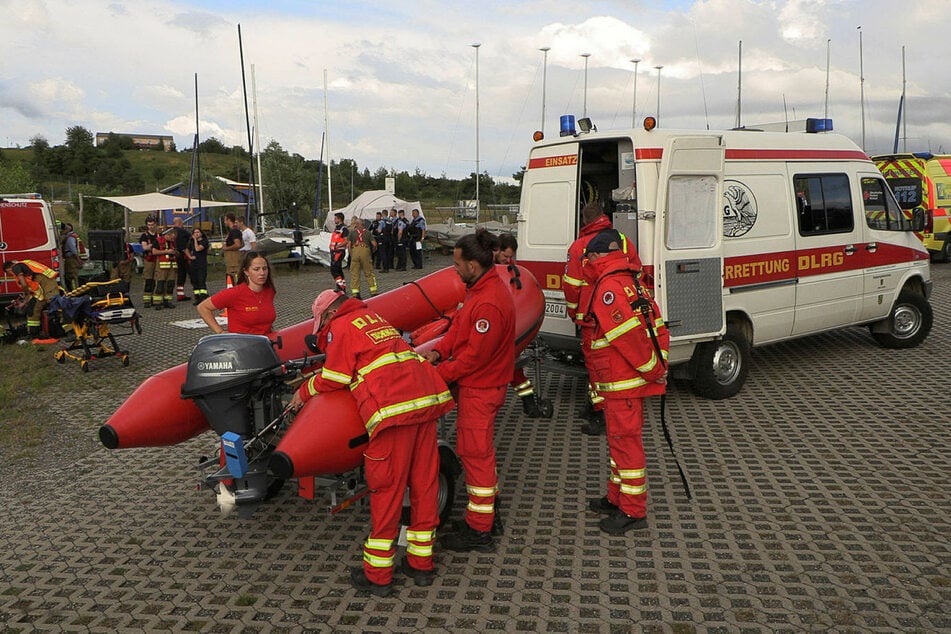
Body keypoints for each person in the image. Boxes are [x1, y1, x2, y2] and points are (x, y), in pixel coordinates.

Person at [289, 289, 454, 597]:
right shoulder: (373, 317)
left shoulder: (340, 327)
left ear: (326, 316)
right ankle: (421, 565)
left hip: (392, 414)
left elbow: (335, 377)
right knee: (424, 484)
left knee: (387, 490)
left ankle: (378, 576)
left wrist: (304, 390)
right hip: (424, 402)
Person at [423, 229, 514, 552]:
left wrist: (439, 373)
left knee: (476, 455)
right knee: (480, 454)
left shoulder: (489, 302)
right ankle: (489, 513)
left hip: (482, 388)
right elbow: (459, 329)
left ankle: (479, 530)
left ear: (472, 266)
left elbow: (475, 356)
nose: (454, 270)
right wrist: (436, 352)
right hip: (478, 386)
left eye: (457, 264)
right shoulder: (479, 291)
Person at [579, 229, 668, 535]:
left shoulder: (609, 287)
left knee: (627, 448)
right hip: (621, 382)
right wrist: (655, 367)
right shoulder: (631, 281)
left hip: (623, 382)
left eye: (587, 258)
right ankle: (617, 497)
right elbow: (656, 327)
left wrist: (652, 370)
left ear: (596, 257)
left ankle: (633, 510)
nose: (585, 263)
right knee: (619, 443)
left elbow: (627, 336)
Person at [563, 202, 643, 435]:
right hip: (621, 311)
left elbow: (571, 286)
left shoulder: (579, 246)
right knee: (615, 362)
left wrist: (575, 313)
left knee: (598, 367)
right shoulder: (622, 240)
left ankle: (601, 413)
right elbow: (636, 270)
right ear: (603, 217)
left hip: (593, 317)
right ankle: (599, 407)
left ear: (585, 221)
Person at [493, 232, 542, 417]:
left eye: (511, 256)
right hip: (493, 325)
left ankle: (529, 402)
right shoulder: (485, 268)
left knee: (515, 368)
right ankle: (528, 403)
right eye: (505, 256)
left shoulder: (511, 270)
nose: (508, 260)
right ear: (496, 251)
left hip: (507, 326)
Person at [197, 251, 276, 336]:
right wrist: (220, 331)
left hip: (265, 344)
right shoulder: (235, 293)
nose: (262, 273)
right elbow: (203, 307)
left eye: (265, 268)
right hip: (241, 345)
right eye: (256, 269)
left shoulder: (269, 291)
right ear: (246, 271)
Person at [3, 259, 60, 339]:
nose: (12, 275)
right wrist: (25, 301)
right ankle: (39, 331)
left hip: (47, 285)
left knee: (54, 304)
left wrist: (26, 295)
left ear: (9, 269)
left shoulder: (15, 267)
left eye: (9, 273)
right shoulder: (25, 264)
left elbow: (24, 283)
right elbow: (33, 287)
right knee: (35, 307)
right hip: (45, 284)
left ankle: (64, 329)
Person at [347, 217, 378, 299]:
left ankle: (355, 294)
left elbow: (349, 245)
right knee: (369, 273)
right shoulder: (368, 233)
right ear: (363, 225)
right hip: (365, 251)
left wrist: (351, 254)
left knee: (355, 274)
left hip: (355, 251)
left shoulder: (352, 233)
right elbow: (374, 244)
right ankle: (373, 292)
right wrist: (372, 252)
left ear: (357, 225)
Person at [152, 228, 178, 310]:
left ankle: (167, 301)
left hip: (172, 267)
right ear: (167, 235)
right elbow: (154, 252)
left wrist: (175, 253)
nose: (173, 239)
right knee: (160, 285)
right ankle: (157, 302)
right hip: (161, 267)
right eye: (172, 238)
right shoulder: (158, 241)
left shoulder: (173, 242)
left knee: (170, 285)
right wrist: (167, 251)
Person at [139, 216, 161, 308]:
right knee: (148, 279)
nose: (151, 227)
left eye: (152, 225)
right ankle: (147, 300)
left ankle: (156, 300)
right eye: (149, 225)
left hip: (158, 259)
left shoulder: (159, 235)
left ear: (155, 224)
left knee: (158, 279)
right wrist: (155, 244)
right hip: (149, 260)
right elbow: (145, 247)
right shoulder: (144, 236)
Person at [185, 227, 210, 305]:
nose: (196, 234)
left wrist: (195, 240)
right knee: (195, 281)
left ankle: (203, 296)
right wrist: (190, 257)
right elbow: (186, 250)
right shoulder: (191, 242)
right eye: (195, 232)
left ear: (201, 233)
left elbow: (198, 249)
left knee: (201, 280)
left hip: (201, 264)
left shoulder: (204, 241)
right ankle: (197, 297)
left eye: (198, 232)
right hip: (193, 264)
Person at [171, 217, 191, 302]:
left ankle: (179, 294)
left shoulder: (170, 232)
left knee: (178, 276)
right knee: (185, 274)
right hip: (183, 256)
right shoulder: (183, 232)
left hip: (172, 257)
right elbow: (186, 245)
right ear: (180, 223)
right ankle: (198, 294)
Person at [329, 212, 349, 292]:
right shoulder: (336, 228)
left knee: (334, 269)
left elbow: (346, 240)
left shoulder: (344, 229)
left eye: (335, 218)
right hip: (333, 251)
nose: (334, 220)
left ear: (339, 219)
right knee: (338, 269)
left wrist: (338, 246)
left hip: (339, 251)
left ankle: (340, 286)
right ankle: (342, 286)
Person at [222, 212, 244, 284]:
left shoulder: (234, 231)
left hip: (233, 258)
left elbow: (238, 244)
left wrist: (226, 248)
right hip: (230, 258)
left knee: (234, 275)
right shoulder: (232, 231)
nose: (224, 222)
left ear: (229, 220)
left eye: (225, 220)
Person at [60, 222, 81, 292]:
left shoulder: (70, 238)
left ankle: (75, 292)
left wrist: (78, 260)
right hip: (72, 258)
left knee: (71, 276)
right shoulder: (72, 236)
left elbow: (73, 251)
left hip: (71, 259)